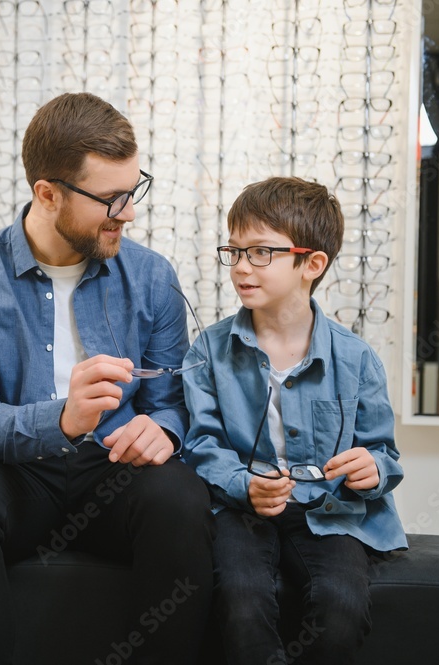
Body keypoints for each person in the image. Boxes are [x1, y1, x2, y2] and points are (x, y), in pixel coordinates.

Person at [0, 92, 214, 664]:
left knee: (180, 494)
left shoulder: (152, 277)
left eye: (133, 190)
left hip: (116, 471)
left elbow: (173, 399)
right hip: (18, 478)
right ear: (47, 194)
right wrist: (62, 419)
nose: (129, 212)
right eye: (111, 199)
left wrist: (165, 430)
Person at [181, 177, 406, 665]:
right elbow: (201, 444)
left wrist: (373, 469)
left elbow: (383, 454)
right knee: (241, 602)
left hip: (330, 511)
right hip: (241, 510)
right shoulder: (208, 352)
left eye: (261, 252)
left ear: (313, 264)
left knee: (341, 607)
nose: (241, 267)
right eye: (234, 251)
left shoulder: (356, 358)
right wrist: (245, 484)